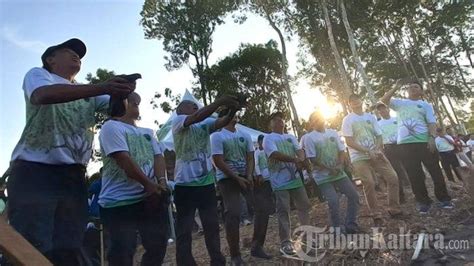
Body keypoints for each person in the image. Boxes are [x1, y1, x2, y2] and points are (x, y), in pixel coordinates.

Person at [7, 38, 134, 265]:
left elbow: (116, 111)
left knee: (69, 247)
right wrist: (105, 86)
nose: (77, 55)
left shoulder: (88, 91)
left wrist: (120, 93)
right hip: (35, 171)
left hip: (73, 175)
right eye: (68, 51)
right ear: (50, 59)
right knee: (32, 246)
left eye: (79, 55)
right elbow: (42, 96)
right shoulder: (38, 75)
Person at [98, 92, 169, 265]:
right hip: (119, 202)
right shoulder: (111, 127)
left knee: (158, 245)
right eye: (129, 100)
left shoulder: (148, 132)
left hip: (148, 198)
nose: (135, 102)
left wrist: (161, 182)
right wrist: (148, 184)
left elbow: (158, 157)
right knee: (123, 251)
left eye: (137, 101)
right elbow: (123, 159)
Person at [172, 96, 241, 266]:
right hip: (184, 184)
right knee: (185, 230)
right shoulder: (178, 121)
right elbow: (197, 117)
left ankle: (217, 261)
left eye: (197, 106)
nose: (196, 108)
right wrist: (219, 102)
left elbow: (222, 122)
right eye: (191, 106)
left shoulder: (204, 123)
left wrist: (233, 109)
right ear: (181, 110)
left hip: (206, 184)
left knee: (212, 226)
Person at [380, 80, 452, 213]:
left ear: (421, 91)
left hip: (424, 142)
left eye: (416, 87)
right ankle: (423, 202)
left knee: (435, 171)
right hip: (405, 145)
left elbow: (431, 123)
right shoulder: (400, 103)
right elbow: (384, 100)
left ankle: (444, 198)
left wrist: (431, 138)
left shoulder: (425, 105)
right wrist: (395, 87)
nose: (412, 88)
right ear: (407, 91)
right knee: (414, 175)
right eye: (410, 87)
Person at [211, 110, 270, 265]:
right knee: (233, 213)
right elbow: (218, 160)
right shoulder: (217, 136)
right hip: (227, 179)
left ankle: (257, 246)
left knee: (262, 207)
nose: (235, 116)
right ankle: (235, 255)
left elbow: (250, 156)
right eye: (230, 114)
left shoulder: (244, 134)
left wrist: (249, 175)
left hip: (245, 177)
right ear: (223, 118)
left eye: (235, 114)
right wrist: (236, 177)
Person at [342, 94, 402, 225]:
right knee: (369, 182)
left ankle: (394, 208)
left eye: (357, 100)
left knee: (393, 177)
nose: (356, 103)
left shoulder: (370, 117)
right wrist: (367, 150)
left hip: (376, 153)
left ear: (361, 101)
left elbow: (379, 136)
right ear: (349, 104)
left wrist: (377, 149)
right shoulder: (347, 120)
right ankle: (376, 213)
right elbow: (349, 141)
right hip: (358, 157)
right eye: (352, 101)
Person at [302, 111, 360, 233]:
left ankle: (351, 224)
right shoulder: (309, 138)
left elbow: (341, 150)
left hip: (339, 172)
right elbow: (312, 159)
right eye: (315, 119)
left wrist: (340, 164)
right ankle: (337, 229)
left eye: (320, 117)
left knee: (354, 196)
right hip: (322, 176)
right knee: (333, 201)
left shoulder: (332, 132)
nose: (319, 120)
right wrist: (329, 169)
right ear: (311, 123)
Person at [263, 112, 312, 256]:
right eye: (276, 120)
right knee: (284, 210)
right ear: (270, 124)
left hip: (295, 179)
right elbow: (274, 154)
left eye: (281, 120)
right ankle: (285, 242)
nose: (280, 122)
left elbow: (299, 151)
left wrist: (301, 158)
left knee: (304, 206)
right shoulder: (268, 138)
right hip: (280, 181)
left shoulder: (290, 137)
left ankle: (306, 236)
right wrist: (295, 160)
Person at [375, 102, 408, 203]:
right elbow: (378, 139)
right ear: (378, 112)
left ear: (388, 109)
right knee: (396, 172)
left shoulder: (397, 119)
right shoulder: (378, 124)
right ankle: (401, 197)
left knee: (409, 167)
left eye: (383, 108)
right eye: (380, 110)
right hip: (389, 148)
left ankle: (417, 191)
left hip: (402, 145)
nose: (382, 111)